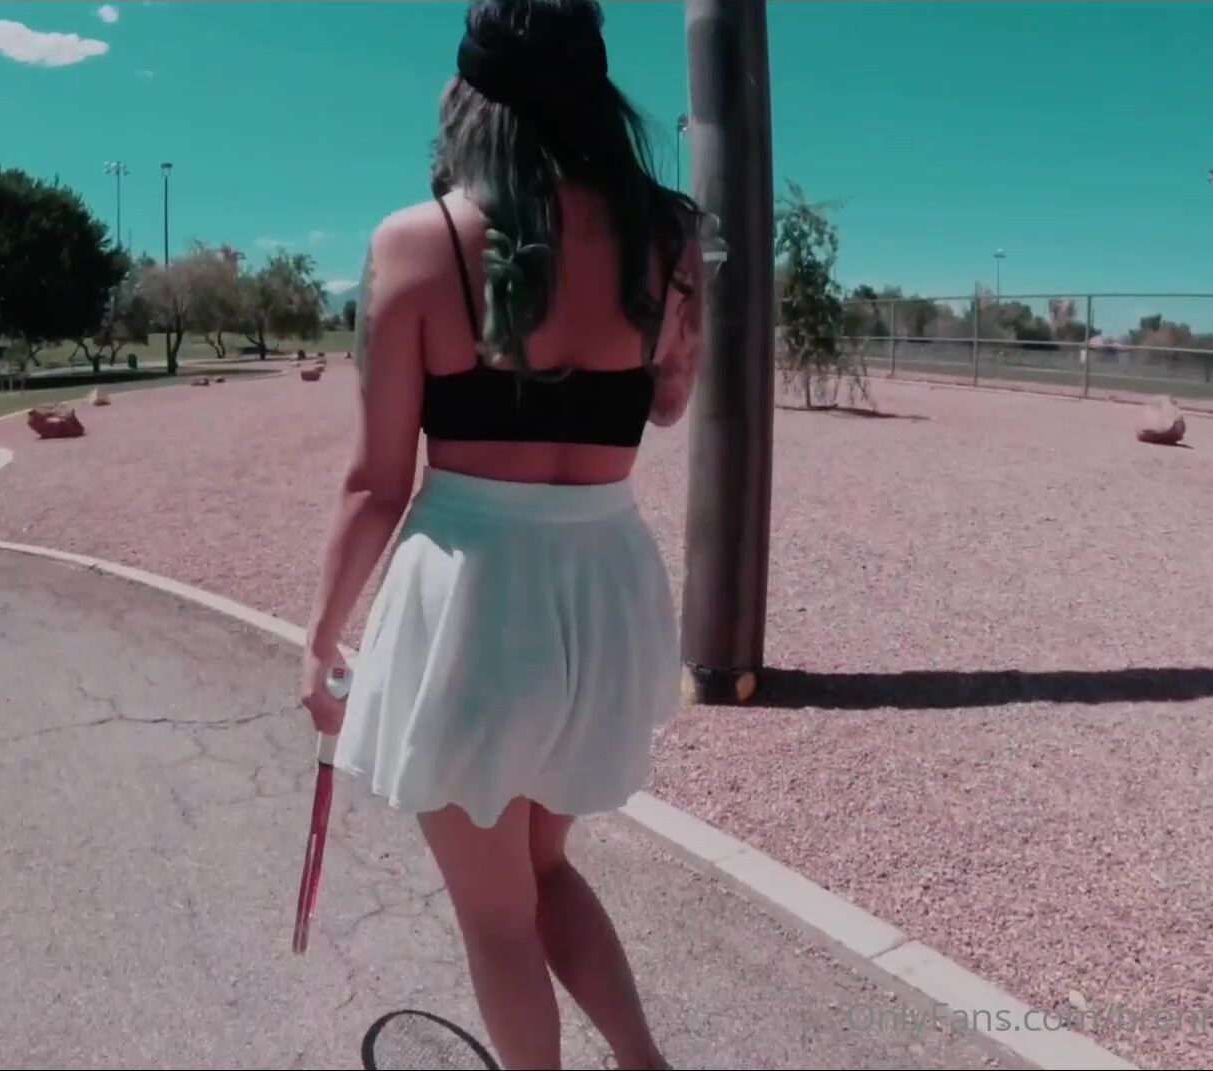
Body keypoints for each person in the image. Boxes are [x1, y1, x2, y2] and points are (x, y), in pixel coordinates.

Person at [298, 1, 703, 1067]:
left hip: (474, 609)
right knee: (546, 869)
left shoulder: (415, 243)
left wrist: (319, 641)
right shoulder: (669, 237)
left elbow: (376, 483)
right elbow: (666, 406)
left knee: (495, 917)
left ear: (470, 97)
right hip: (605, 593)